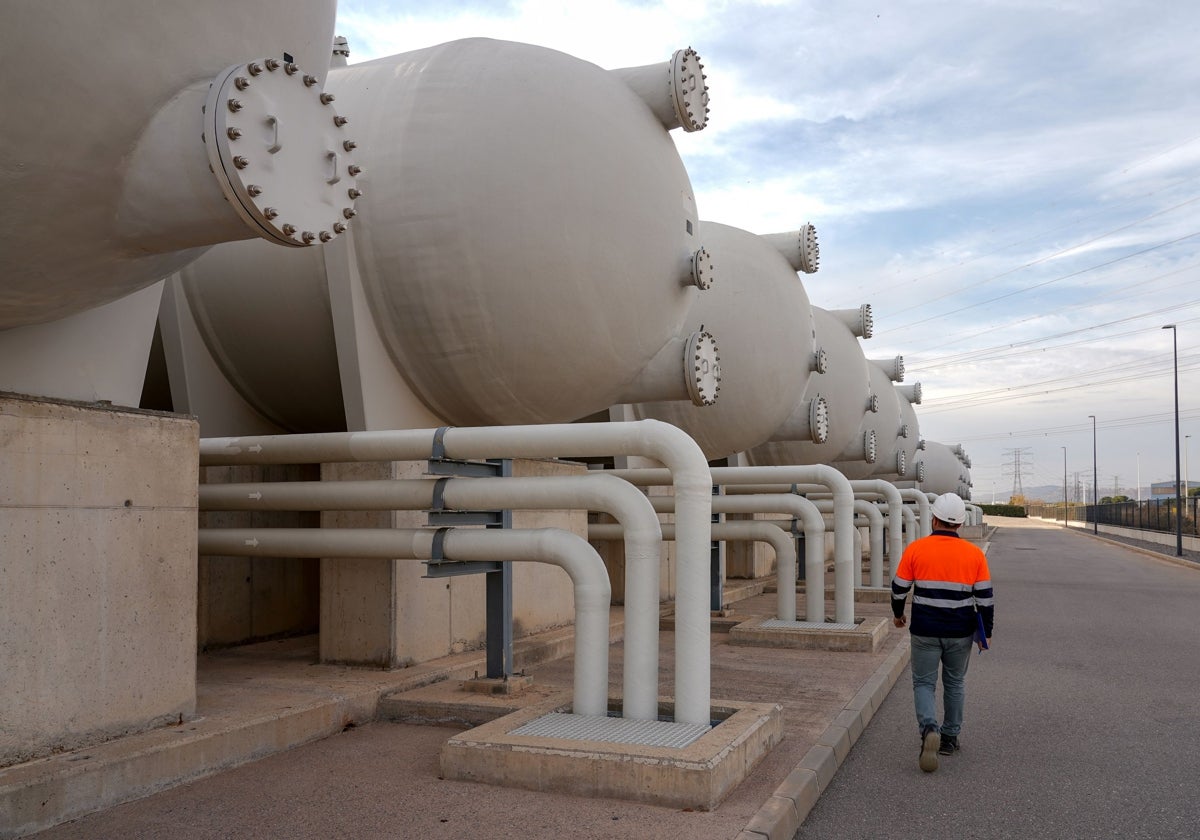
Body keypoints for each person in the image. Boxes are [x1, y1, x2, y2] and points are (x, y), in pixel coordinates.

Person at [891, 492, 994, 773]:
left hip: (924, 629)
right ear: (960, 524)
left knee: (924, 684)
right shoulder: (974, 555)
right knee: (955, 683)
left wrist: (898, 615)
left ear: (934, 519)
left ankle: (928, 730)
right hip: (960, 631)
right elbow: (985, 599)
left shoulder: (916, 549)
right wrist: (988, 632)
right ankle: (949, 738)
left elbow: (899, 588)